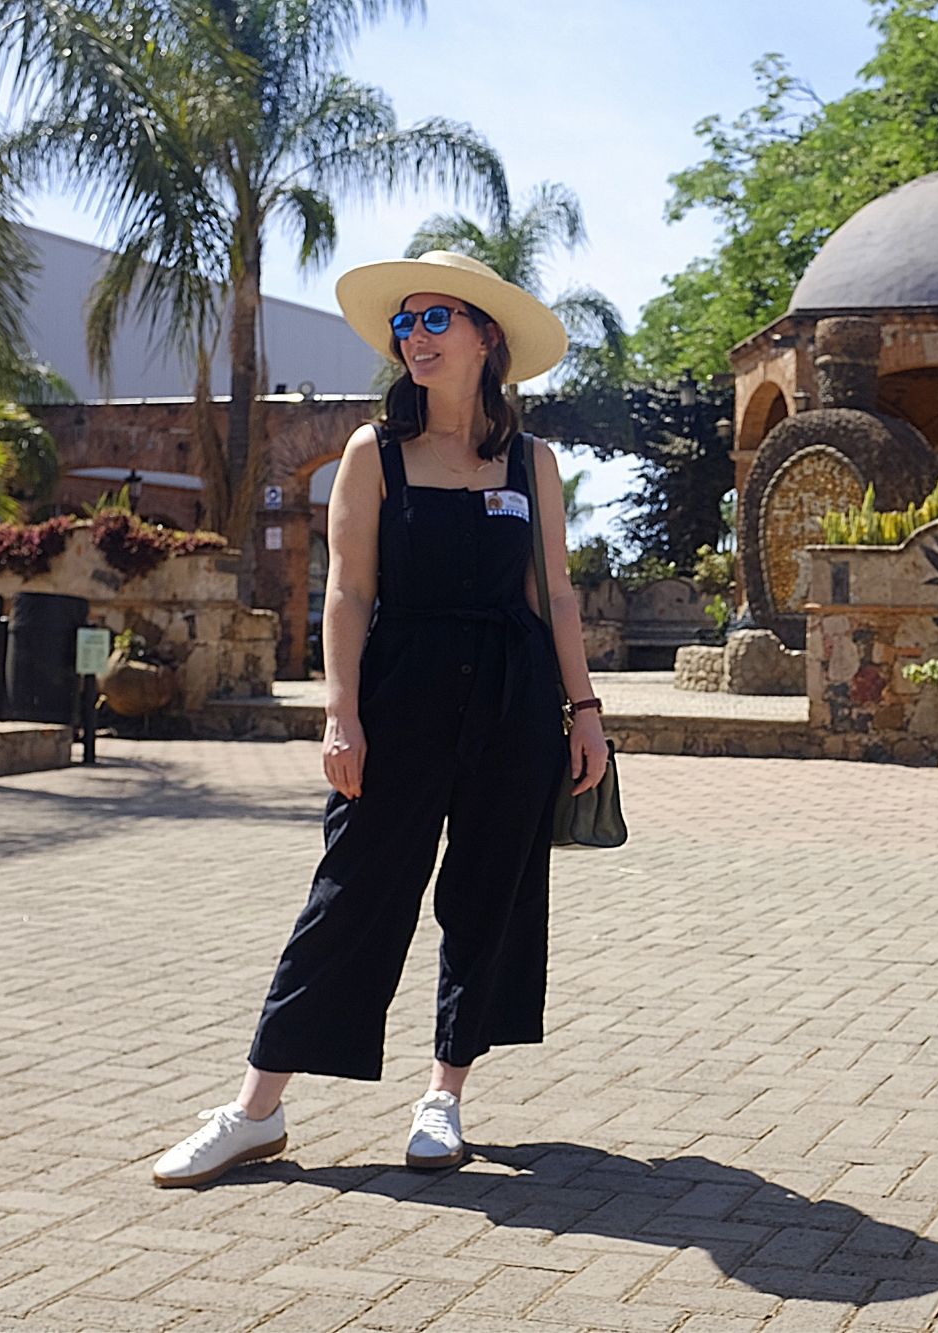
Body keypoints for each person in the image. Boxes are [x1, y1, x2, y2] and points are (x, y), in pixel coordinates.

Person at [150, 251, 609, 1187]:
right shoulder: (374, 453)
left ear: (487, 337)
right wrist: (340, 713)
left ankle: (444, 1096)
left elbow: (554, 596)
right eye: (407, 322)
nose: (416, 335)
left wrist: (586, 711)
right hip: (397, 700)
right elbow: (348, 594)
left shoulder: (534, 462)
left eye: (438, 318)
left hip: (514, 701)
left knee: (490, 896)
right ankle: (254, 1111)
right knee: (352, 895)